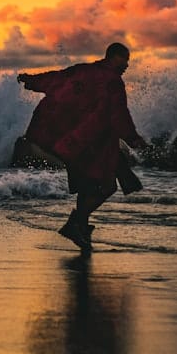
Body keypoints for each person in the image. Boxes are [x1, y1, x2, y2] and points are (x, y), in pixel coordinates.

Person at [17, 42, 148, 250]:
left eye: (128, 61)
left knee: (88, 186)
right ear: (112, 57)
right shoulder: (113, 81)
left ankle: (81, 228)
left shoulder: (83, 71)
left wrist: (31, 80)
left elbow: (56, 79)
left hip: (72, 143)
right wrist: (134, 139)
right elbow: (119, 115)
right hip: (91, 145)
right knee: (107, 186)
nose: (126, 65)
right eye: (124, 59)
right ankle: (76, 223)